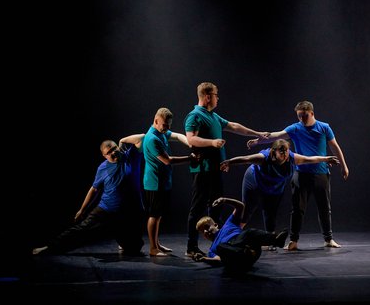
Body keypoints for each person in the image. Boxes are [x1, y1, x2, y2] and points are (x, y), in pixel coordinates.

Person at [247, 100, 349, 250]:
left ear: (312, 113)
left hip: (321, 173)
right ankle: (293, 240)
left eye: (304, 116)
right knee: (297, 209)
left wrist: (344, 166)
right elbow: (275, 136)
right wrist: (257, 141)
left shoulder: (324, 127)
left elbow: (335, 146)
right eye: (299, 116)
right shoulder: (295, 128)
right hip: (301, 174)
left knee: (324, 208)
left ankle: (329, 239)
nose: (301, 119)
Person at [184, 81, 269, 257]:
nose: (217, 98)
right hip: (203, 170)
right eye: (216, 95)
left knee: (216, 207)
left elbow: (234, 126)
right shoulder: (195, 116)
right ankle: (191, 247)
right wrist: (212, 142)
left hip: (215, 170)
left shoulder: (213, 116)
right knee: (198, 208)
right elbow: (191, 139)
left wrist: (257, 134)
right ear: (207, 96)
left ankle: (219, 244)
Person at [220, 139, 340, 250]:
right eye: (281, 151)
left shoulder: (293, 159)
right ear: (273, 151)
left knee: (270, 212)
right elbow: (246, 159)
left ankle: (270, 241)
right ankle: (232, 236)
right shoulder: (263, 158)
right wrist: (229, 162)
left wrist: (326, 159)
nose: (284, 154)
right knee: (248, 210)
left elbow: (310, 159)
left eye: (286, 151)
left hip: (274, 187)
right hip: (255, 181)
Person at [32, 138, 145, 256]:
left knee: (135, 248)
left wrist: (122, 140)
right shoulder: (103, 168)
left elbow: (142, 137)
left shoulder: (131, 156)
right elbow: (94, 189)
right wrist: (82, 210)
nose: (113, 153)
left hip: (128, 212)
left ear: (118, 147)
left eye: (114, 148)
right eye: (109, 152)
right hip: (106, 208)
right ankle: (49, 247)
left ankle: (122, 237)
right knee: (81, 229)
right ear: (104, 156)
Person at [143, 107, 198, 257]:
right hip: (154, 183)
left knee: (158, 214)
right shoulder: (152, 138)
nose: (167, 128)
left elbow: (177, 136)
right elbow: (168, 160)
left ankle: (157, 244)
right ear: (156, 121)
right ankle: (153, 249)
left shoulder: (161, 132)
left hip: (162, 182)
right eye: (165, 125)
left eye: (169, 125)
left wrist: (190, 142)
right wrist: (190, 159)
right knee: (154, 215)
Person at [192, 197, 288, 272]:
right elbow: (219, 260)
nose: (205, 231)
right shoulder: (212, 250)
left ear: (216, 225)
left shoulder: (229, 224)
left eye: (206, 227)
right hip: (240, 260)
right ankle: (243, 252)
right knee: (220, 247)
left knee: (248, 233)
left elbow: (240, 206)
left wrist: (225, 200)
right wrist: (204, 259)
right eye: (202, 231)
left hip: (251, 249)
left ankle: (276, 240)